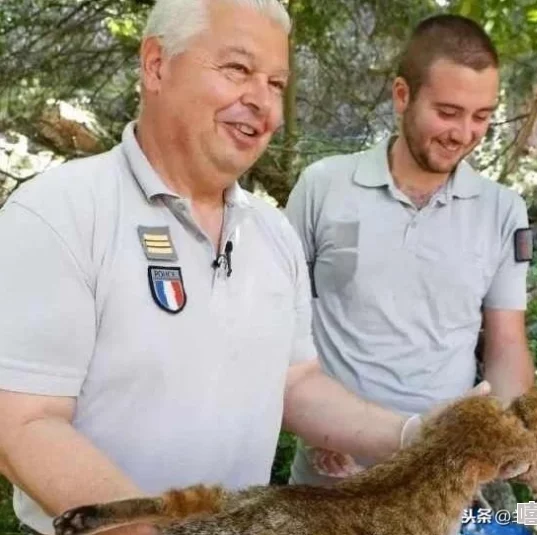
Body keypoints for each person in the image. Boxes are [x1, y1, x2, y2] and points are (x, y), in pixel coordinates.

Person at [0, 3, 493, 535]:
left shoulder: (271, 232)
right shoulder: (60, 211)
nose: (262, 101)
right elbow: (22, 423)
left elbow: (296, 383)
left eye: (276, 82)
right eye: (237, 69)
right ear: (156, 64)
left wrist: (414, 435)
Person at [285, 14, 536, 487]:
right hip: (330, 482)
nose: (464, 133)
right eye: (447, 112)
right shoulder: (322, 187)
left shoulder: (503, 211)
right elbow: (279, 322)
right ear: (402, 95)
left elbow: (506, 346)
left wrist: (503, 431)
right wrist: (316, 424)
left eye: (481, 116)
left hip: (441, 485)